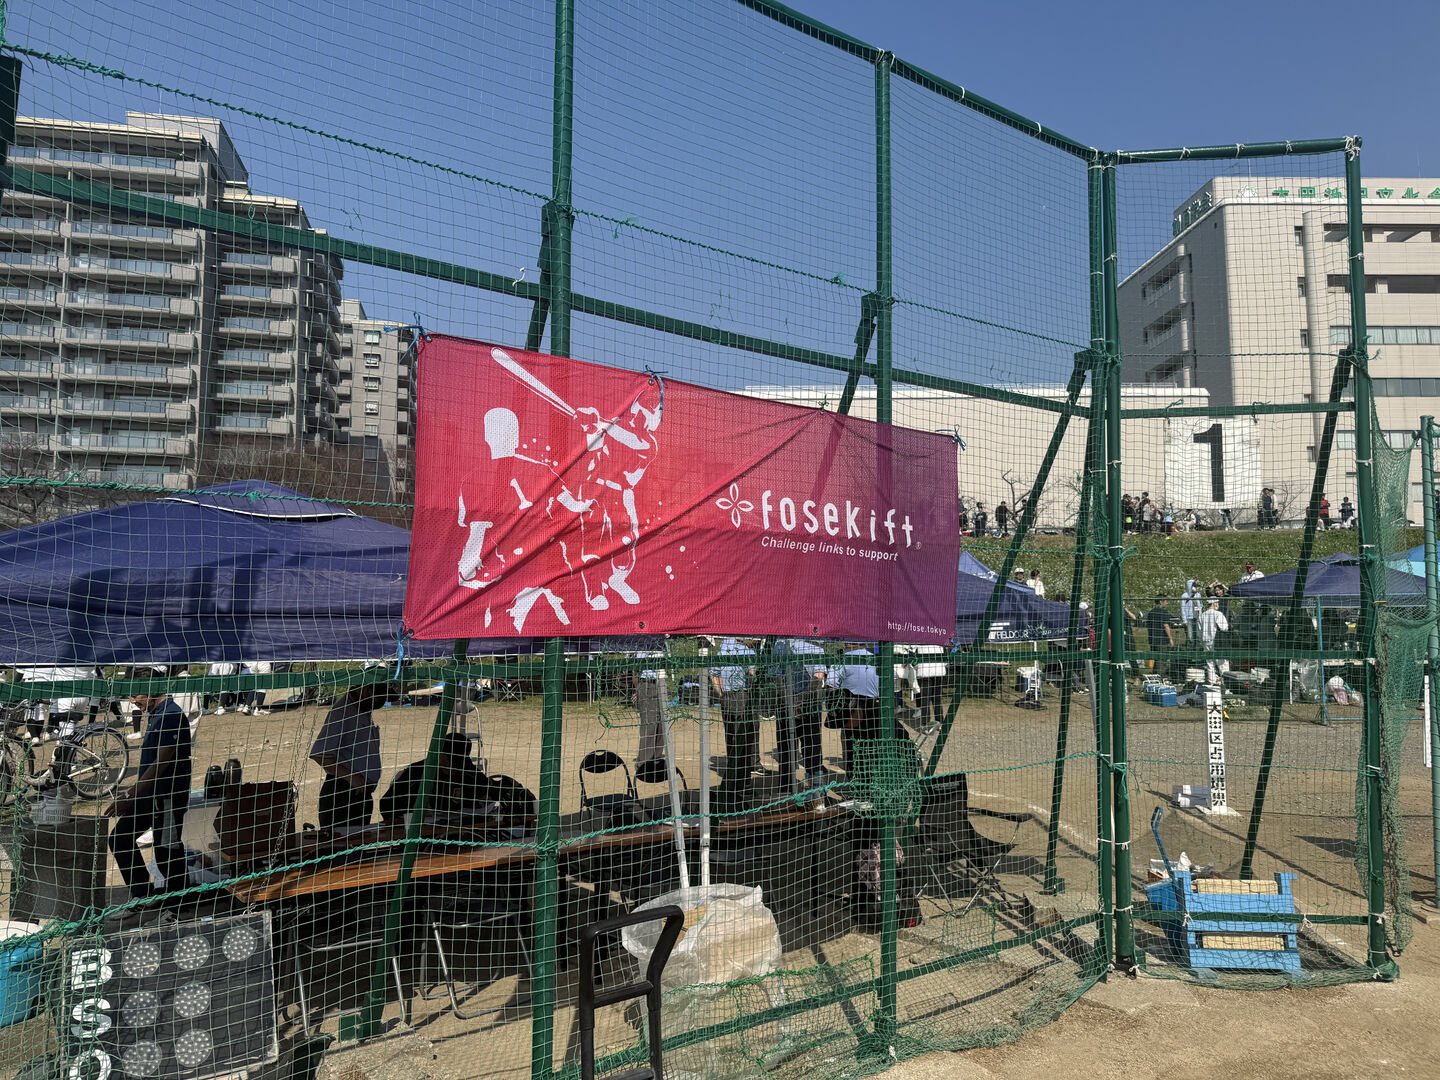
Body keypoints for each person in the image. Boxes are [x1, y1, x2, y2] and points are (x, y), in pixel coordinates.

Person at [108, 669, 192, 902]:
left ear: (151, 689)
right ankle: (142, 896)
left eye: (135, 695)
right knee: (120, 838)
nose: (133, 701)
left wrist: (129, 795)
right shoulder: (156, 714)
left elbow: (160, 764)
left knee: (167, 852)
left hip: (166, 798)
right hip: (148, 796)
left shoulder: (171, 716)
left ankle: (179, 906)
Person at [309, 681, 388, 831]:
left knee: (360, 841)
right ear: (366, 689)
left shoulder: (362, 708)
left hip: (360, 795)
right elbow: (320, 754)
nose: (376, 704)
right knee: (343, 843)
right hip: (342, 796)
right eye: (377, 698)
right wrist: (352, 777)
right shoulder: (342, 712)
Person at [379, 732, 498, 824]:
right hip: (421, 834)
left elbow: (489, 789)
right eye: (448, 761)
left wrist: (485, 798)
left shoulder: (467, 770)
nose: (453, 768)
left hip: (459, 830)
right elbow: (387, 805)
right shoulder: (417, 772)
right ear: (440, 755)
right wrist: (407, 816)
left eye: (458, 764)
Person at [770, 637, 827, 794]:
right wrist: (800, 701)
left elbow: (776, 677)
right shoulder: (815, 643)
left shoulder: (779, 643)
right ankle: (816, 789)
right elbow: (818, 676)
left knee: (786, 748)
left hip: (788, 704)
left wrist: (789, 701)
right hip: (808, 704)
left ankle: (786, 790)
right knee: (812, 747)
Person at [710, 637, 756, 806]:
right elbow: (753, 673)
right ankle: (744, 783)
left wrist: (721, 694)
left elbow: (714, 674)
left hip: (727, 698)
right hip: (742, 697)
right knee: (745, 740)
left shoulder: (722, 650)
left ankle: (733, 780)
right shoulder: (747, 651)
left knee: (731, 738)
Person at [633, 649, 666, 770]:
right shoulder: (644, 644)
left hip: (661, 684)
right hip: (648, 685)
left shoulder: (663, 644)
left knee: (662, 726)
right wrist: (638, 690)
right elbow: (636, 671)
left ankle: (656, 760)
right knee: (650, 725)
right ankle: (644, 764)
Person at [1197, 597, 1230, 685]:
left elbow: (1199, 632)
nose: (1218, 604)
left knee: (1210, 665)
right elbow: (1224, 627)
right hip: (1217, 642)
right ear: (1214, 603)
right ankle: (1225, 686)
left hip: (1206, 642)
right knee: (1222, 665)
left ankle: (1211, 685)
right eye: (1217, 603)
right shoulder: (1218, 614)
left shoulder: (1202, 615)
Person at [1143, 599, 1178, 674]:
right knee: (1162, 659)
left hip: (1152, 639)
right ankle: (1160, 676)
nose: (1167, 603)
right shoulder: (1164, 612)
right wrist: (1170, 639)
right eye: (1166, 601)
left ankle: (1155, 675)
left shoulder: (1151, 612)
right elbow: (1166, 626)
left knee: (1156, 659)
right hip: (1162, 640)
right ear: (1160, 602)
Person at [1179, 579, 1202, 646]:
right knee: (1190, 636)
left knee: (1198, 635)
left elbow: (1200, 605)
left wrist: (1200, 615)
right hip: (1189, 618)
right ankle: (1190, 649)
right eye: (1194, 586)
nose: (1196, 588)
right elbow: (1183, 608)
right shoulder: (1184, 596)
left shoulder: (1198, 595)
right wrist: (1184, 620)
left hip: (1197, 617)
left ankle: (1198, 649)